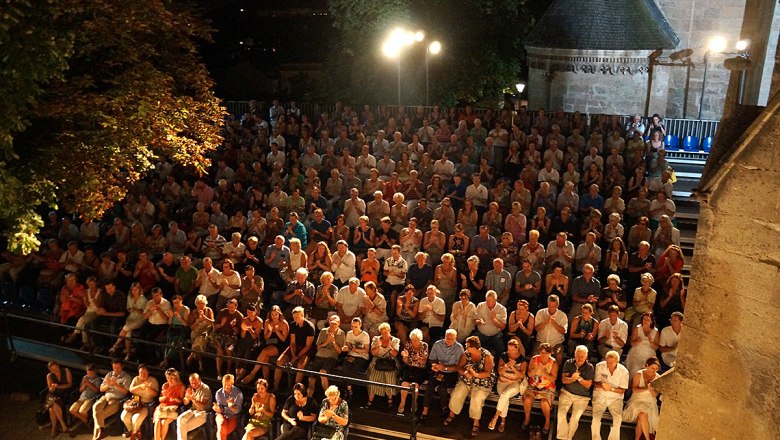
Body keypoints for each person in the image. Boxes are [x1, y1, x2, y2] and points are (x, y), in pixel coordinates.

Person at [444, 336, 496, 437]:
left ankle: (476, 422)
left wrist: (476, 374)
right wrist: (465, 373)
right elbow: (459, 368)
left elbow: (488, 373)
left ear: (474, 347)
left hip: (482, 382)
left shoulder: (486, 356)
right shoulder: (466, 354)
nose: (466, 347)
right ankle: (452, 414)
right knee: (457, 393)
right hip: (467, 380)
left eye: (467, 346)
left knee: (476, 398)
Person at [420, 328, 465, 421]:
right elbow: (432, 359)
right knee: (430, 386)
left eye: (451, 339)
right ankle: (425, 411)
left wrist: (445, 368)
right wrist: (434, 366)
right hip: (438, 370)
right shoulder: (437, 344)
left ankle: (444, 408)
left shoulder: (459, 348)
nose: (449, 340)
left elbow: (458, 367)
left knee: (442, 388)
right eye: (447, 338)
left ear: (455, 338)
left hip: (451, 372)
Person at [242, 305, 290, 385]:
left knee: (264, 352)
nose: (274, 316)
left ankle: (252, 374)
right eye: (272, 314)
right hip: (269, 343)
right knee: (265, 359)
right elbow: (266, 337)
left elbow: (283, 339)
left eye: (276, 314)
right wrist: (270, 331)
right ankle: (266, 382)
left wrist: (277, 331)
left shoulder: (284, 323)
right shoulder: (267, 322)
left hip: (279, 345)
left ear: (279, 314)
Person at [488, 338, 528, 433]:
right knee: (504, 398)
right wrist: (507, 365)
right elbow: (499, 371)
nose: (510, 351)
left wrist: (513, 367)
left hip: (515, 383)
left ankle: (495, 418)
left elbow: (521, 375)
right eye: (509, 349)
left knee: (504, 395)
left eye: (512, 349)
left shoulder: (522, 359)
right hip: (502, 381)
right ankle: (502, 421)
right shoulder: (504, 356)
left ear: (517, 348)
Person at [556, 345, 594, 440]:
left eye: (582, 356)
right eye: (578, 355)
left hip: (582, 397)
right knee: (561, 413)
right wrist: (572, 379)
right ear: (574, 354)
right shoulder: (569, 363)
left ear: (586, 356)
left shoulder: (589, 367)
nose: (579, 358)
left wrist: (579, 378)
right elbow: (564, 380)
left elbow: (588, 385)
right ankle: (562, 437)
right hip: (567, 393)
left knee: (575, 418)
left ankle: (568, 438)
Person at [521, 342, 559, 435]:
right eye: (541, 352)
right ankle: (527, 418)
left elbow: (553, 379)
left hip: (547, 388)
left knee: (544, 402)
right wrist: (535, 370)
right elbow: (529, 374)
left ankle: (547, 422)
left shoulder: (553, 363)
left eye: (546, 352)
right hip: (533, 386)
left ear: (550, 353)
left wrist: (544, 373)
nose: (543, 354)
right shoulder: (534, 359)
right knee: (527, 399)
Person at [591, 350, 629, 440]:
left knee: (618, 419)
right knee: (596, 418)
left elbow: (622, 390)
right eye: (607, 362)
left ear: (617, 362)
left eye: (611, 363)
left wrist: (611, 389)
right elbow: (595, 383)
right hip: (600, 395)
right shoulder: (599, 366)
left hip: (616, 398)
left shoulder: (624, 371)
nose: (608, 365)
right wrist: (602, 385)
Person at [275, 306, 315, 390]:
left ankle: (296, 388)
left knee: (300, 365)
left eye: (297, 317)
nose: (295, 319)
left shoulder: (310, 327)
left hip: (305, 349)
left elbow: (308, 345)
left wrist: (297, 356)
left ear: (302, 315)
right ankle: (276, 386)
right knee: (279, 361)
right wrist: (293, 355)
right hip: (295, 347)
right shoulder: (293, 325)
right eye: (294, 317)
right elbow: (292, 342)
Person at [92, 359, 132, 440]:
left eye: (118, 367)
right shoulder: (109, 375)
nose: (116, 369)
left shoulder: (126, 377)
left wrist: (115, 385)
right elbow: (101, 389)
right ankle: (101, 432)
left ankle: (96, 436)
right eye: (114, 368)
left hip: (116, 399)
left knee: (99, 415)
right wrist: (108, 385)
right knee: (95, 407)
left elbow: (125, 391)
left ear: (122, 367)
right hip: (105, 397)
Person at [624, 357, 662, 440]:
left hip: (650, 403)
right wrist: (646, 389)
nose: (654, 370)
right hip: (637, 401)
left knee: (641, 419)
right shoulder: (638, 374)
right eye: (652, 368)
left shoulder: (658, 378)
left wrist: (652, 390)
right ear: (646, 365)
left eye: (656, 369)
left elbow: (654, 395)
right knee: (642, 414)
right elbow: (634, 390)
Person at [308, 315, 346, 396]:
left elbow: (339, 351)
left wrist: (333, 342)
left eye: (335, 324)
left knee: (323, 372)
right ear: (329, 322)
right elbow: (318, 347)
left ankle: (328, 396)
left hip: (331, 357)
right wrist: (327, 342)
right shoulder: (323, 331)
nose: (333, 325)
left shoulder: (341, 333)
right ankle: (308, 397)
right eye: (332, 323)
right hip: (320, 355)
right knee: (312, 378)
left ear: (339, 323)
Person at [365, 322, 400, 408]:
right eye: (382, 332)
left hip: (390, 361)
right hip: (378, 360)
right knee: (373, 378)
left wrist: (389, 347)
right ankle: (370, 400)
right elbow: (373, 353)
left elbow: (395, 354)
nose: (384, 334)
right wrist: (379, 346)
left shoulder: (395, 340)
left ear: (389, 331)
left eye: (386, 332)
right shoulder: (376, 339)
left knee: (390, 378)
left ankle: (390, 400)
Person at [121, 364, 159, 440]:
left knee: (136, 418)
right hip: (135, 403)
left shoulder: (153, 380)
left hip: (146, 405)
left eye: (144, 372)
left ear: (148, 372)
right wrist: (140, 386)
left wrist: (148, 388)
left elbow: (155, 394)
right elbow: (131, 390)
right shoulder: (136, 379)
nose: (142, 374)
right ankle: (134, 431)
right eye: (141, 373)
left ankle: (133, 434)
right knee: (124, 416)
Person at [397, 328, 429, 415]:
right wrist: (405, 357)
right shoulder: (408, 344)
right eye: (412, 339)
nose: (413, 341)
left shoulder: (424, 345)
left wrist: (417, 359)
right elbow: (405, 361)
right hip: (409, 367)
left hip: (420, 369)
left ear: (420, 339)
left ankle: (414, 402)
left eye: (415, 340)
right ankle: (402, 402)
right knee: (405, 384)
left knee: (415, 385)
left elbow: (424, 361)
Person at [534, 294, 568, 365]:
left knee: (559, 355)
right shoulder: (540, 313)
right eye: (550, 306)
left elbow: (563, 331)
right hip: (541, 341)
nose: (551, 308)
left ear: (557, 305)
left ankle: (556, 371)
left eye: (553, 306)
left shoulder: (562, 315)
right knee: (535, 354)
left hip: (556, 343)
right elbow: (536, 328)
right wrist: (545, 322)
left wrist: (554, 323)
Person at [214, 298, 243, 379]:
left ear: (236, 307)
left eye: (232, 307)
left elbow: (238, 332)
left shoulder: (239, 316)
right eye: (229, 307)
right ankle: (218, 372)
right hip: (221, 334)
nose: (230, 309)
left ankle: (228, 370)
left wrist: (233, 326)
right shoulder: (222, 312)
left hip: (232, 336)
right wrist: (221, 324)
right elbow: (215, 325)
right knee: (220, 351)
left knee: (228, 350)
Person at [177, 373, 211, 440]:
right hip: (192, 410)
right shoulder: (190, 387)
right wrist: (187, 397)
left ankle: (190, 436)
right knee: (180, 419)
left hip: (203, 413)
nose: (194, 385)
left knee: (183, 427)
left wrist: (192, 399)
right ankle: (190, 436)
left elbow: (202, 407)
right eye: (192, 383)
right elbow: (185, 403)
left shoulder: (205, 388)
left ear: (200, 380)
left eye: (196, 383)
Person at [625, 312, 660, 378]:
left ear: (652, 321)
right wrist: (637, 341)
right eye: (644, 319)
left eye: (648, 320)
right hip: (636, 352)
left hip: (649, 354)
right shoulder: (637, 328)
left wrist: (651, 342)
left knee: (647, 368)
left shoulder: (656, 331)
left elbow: (656, 348)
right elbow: (632, 344)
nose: (645, 321)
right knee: (635, 368)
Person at [153, 368, 185, 440]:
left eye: (171, 378)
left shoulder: (181, 387)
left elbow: (181, 401)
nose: (169, 380)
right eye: (167, 378)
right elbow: (160, 399)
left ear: (175, 377)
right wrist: (164, 397)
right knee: (157, 421)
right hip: (163, 407)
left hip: (173, 408)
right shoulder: (165, 385)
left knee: (164, 422)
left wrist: (175, 399)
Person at [69, 363, 101, 431]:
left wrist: (89, 384)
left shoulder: (97, 379)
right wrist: (84, 385)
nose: (89, 375)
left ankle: (85, 423)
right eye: (88, 373)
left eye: (91, 373)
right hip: (82, 397)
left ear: (95, 372)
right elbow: (80, 390)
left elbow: (96, 391)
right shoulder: (85, 378)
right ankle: (85, 421)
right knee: (72, 410)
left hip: (90, 398)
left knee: (82, 411)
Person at [44, 360, 72, 438]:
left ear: (58, 366)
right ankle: (63, 424)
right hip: (53, 395)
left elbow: (70, 384)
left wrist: (59, 386)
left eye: (56, 367)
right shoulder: (49, 376)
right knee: (53, 402)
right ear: (50, 370)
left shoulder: (66, 371)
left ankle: (54, 429)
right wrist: (53, 388)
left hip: (64, 393)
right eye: (52, 369)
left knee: (51, 409)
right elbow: (50, 390)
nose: (55, 370)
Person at [186, 294, 214, 371]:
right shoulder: (193, 312)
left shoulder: (209, 310)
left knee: (200, 340)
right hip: (195, 331)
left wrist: (204, 317)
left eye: (202, 303)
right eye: (199, 303)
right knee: (198, 342)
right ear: (196, 304)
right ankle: (200, 363)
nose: (201, 305)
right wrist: (198, 321)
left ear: (205, 303)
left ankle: (192, 356)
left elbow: (212, 323)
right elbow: (191, 327)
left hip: (205, 332)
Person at [213, 374, 243, 440]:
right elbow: (220, 408)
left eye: (228, 385)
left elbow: (237, 410)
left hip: (233, 416)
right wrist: (217, 408)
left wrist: (231, 407)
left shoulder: (238, 393)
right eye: (225, 384)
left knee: (222, 432)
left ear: (232, 383)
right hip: (221, 415)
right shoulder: (218, 393)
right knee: (221, 426)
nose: (226, 387)